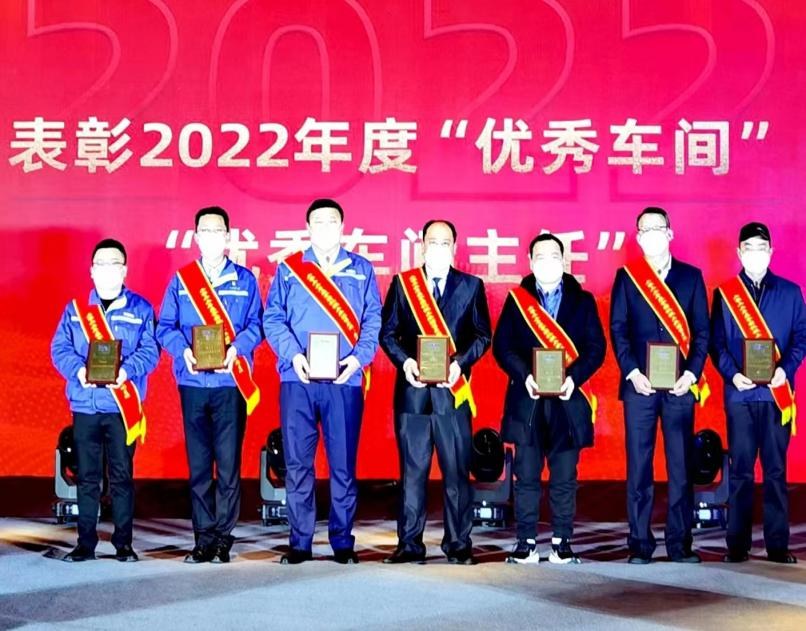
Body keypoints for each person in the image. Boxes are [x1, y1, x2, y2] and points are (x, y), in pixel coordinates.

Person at [263, 199, 381, 564]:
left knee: (342, 465)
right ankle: (300, 542)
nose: (326, 228)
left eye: (332, 221)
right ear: (308, 228)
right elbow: (273, 319)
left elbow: (372, 321)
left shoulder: (361, 269)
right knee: (298, 464)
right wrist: (293, 356)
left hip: (345, 380)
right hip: (297, 378)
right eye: (319, 222)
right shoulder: (289, 270)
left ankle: (342, 541)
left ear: (343, 227)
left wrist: (357, 360)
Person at [379, 219, 491, 565]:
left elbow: (482, 335)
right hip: (412, 395)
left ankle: (458, 543)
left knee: (456, 472)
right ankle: (409, 543)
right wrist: (406, 363)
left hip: (452, 394)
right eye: (433, 242)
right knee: (412, 473)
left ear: (454, 248)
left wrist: (459, 363)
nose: (439, 248)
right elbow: (388, 334)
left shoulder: (471, 286)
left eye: (445, 243)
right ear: (422, 246)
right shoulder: (403, 284)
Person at [156, 206, 263, 564]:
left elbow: (257, 325)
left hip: (230, 383)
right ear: (196, 237)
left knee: (228, 465)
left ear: (228, 237)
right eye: (205, 231)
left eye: (218, 231)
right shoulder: (181, 281)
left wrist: (237, 349)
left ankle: (223, 539)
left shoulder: (245, 280)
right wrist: (182, 350)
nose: (212, 237)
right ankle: (202, 538)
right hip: (193, 383)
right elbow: (164, 327)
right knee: (200, 466)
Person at [493, 233, 606, 564]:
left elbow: (596, 349)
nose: (547, 262)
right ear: (530, 262)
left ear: (563, 260)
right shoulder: (517, 301)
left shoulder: (582, 301)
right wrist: (525, 375)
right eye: (540, 257)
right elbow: (503, 347)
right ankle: (526, 542)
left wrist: (573, 378)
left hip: (568, 401)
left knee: (564, 476)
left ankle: (562, 541)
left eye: (554, 256)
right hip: (527, 400)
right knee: (526, 475)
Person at [609, 207, 709, 564]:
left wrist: (691, 374)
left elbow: (702, 333)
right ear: (638, 237)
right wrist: (632, 372)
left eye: (658, 228)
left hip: (680, 387)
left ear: (670, 233)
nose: (651, 234)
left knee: (680, 468)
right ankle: (639, 544)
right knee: (639, 468)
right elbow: (618, 330)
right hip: (640, 388)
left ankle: (680, 544)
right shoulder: (627, 278)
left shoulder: (691, 277)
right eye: (645, 229)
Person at [51, 238, 158, 562]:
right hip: (85, 405)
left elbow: (150, 351)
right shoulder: (75, 311)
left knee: (122, 477)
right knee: (88, 478)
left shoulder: (141, 309)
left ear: (124, 270)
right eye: (101, 264)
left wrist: (127, 371)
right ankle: (85, 544)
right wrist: (78, 371)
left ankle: (123, 544)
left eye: (114, 264)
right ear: (91, 271)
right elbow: (59, 349)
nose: (107, 269)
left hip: (122, 407)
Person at [710, 222, 806, 564]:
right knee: (741, 471)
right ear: (739, 253)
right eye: (749, 247)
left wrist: (785, 370)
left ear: (771, 252)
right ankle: (737, 545)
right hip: (740, 395)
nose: (755, 253)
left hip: (777, 395)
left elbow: (801, 338)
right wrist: (733, 374)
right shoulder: (725, 294)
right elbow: (717, 344)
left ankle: (778, 545)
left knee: (776, 471)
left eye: (761, 247)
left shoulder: (791, 293)